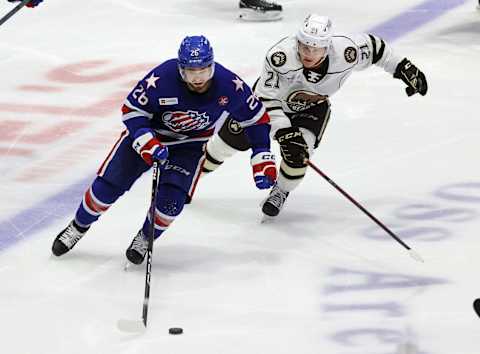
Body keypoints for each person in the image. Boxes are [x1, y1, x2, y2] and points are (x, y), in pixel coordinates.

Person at [51, 35, 277, 265]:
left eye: (203, 70)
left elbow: (256, 118)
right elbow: (132, 109)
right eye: (191, 71)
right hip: (149, 137)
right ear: (181, 69)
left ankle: (145, 237)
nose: (197, 78)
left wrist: (261, 153)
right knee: (106, 189)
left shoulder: (229, 85)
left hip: (188, 147)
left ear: (212, 66)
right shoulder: (163, 78)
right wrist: (145, 140)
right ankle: (78, 226)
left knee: (171, 204)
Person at [203, 14, 428, 218]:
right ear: (297, 41)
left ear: (327, 46)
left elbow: (375, 47)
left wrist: (403, 68)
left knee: (299, 155)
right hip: (267, 106)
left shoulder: (346, 52)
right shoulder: (280, 56)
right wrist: (283, 129)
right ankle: (190, 179)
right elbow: (265, 98)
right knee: (222, 146)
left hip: (312, 108)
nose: (308, 53)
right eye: (304, 46)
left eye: (316, 48)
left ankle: (280, 191)